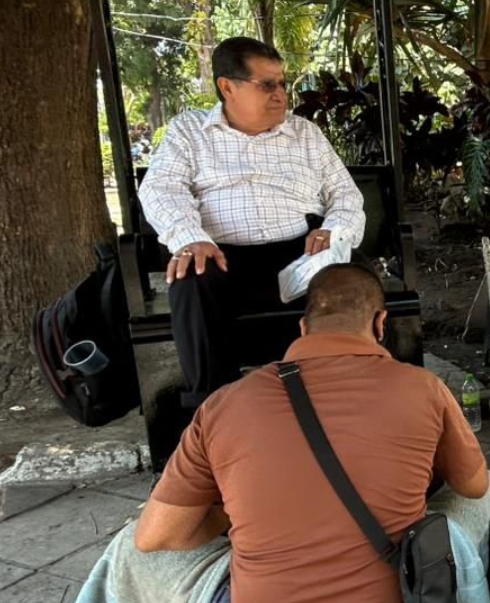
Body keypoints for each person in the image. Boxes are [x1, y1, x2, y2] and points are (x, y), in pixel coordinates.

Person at [65, 264, 490, 603]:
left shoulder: (223, 405)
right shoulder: (423, 387)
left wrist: (230, 513)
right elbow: (474, 485)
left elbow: (154, 538)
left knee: (129, 544)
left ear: (303, 329)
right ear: (381, 323)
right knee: (486, 496)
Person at [139, 36, 366, 408]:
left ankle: (360, 397)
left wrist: (333, 230)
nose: (281, 94)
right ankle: (214, 411)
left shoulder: (305, 134)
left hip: (301, 254)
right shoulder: (190, 132)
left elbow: (346, 194)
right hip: (222, 258)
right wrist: (190, 237)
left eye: (282, 84)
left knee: (354, 275)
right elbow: (161, 189)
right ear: (227, 87)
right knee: (190, 274)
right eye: (267, 85)